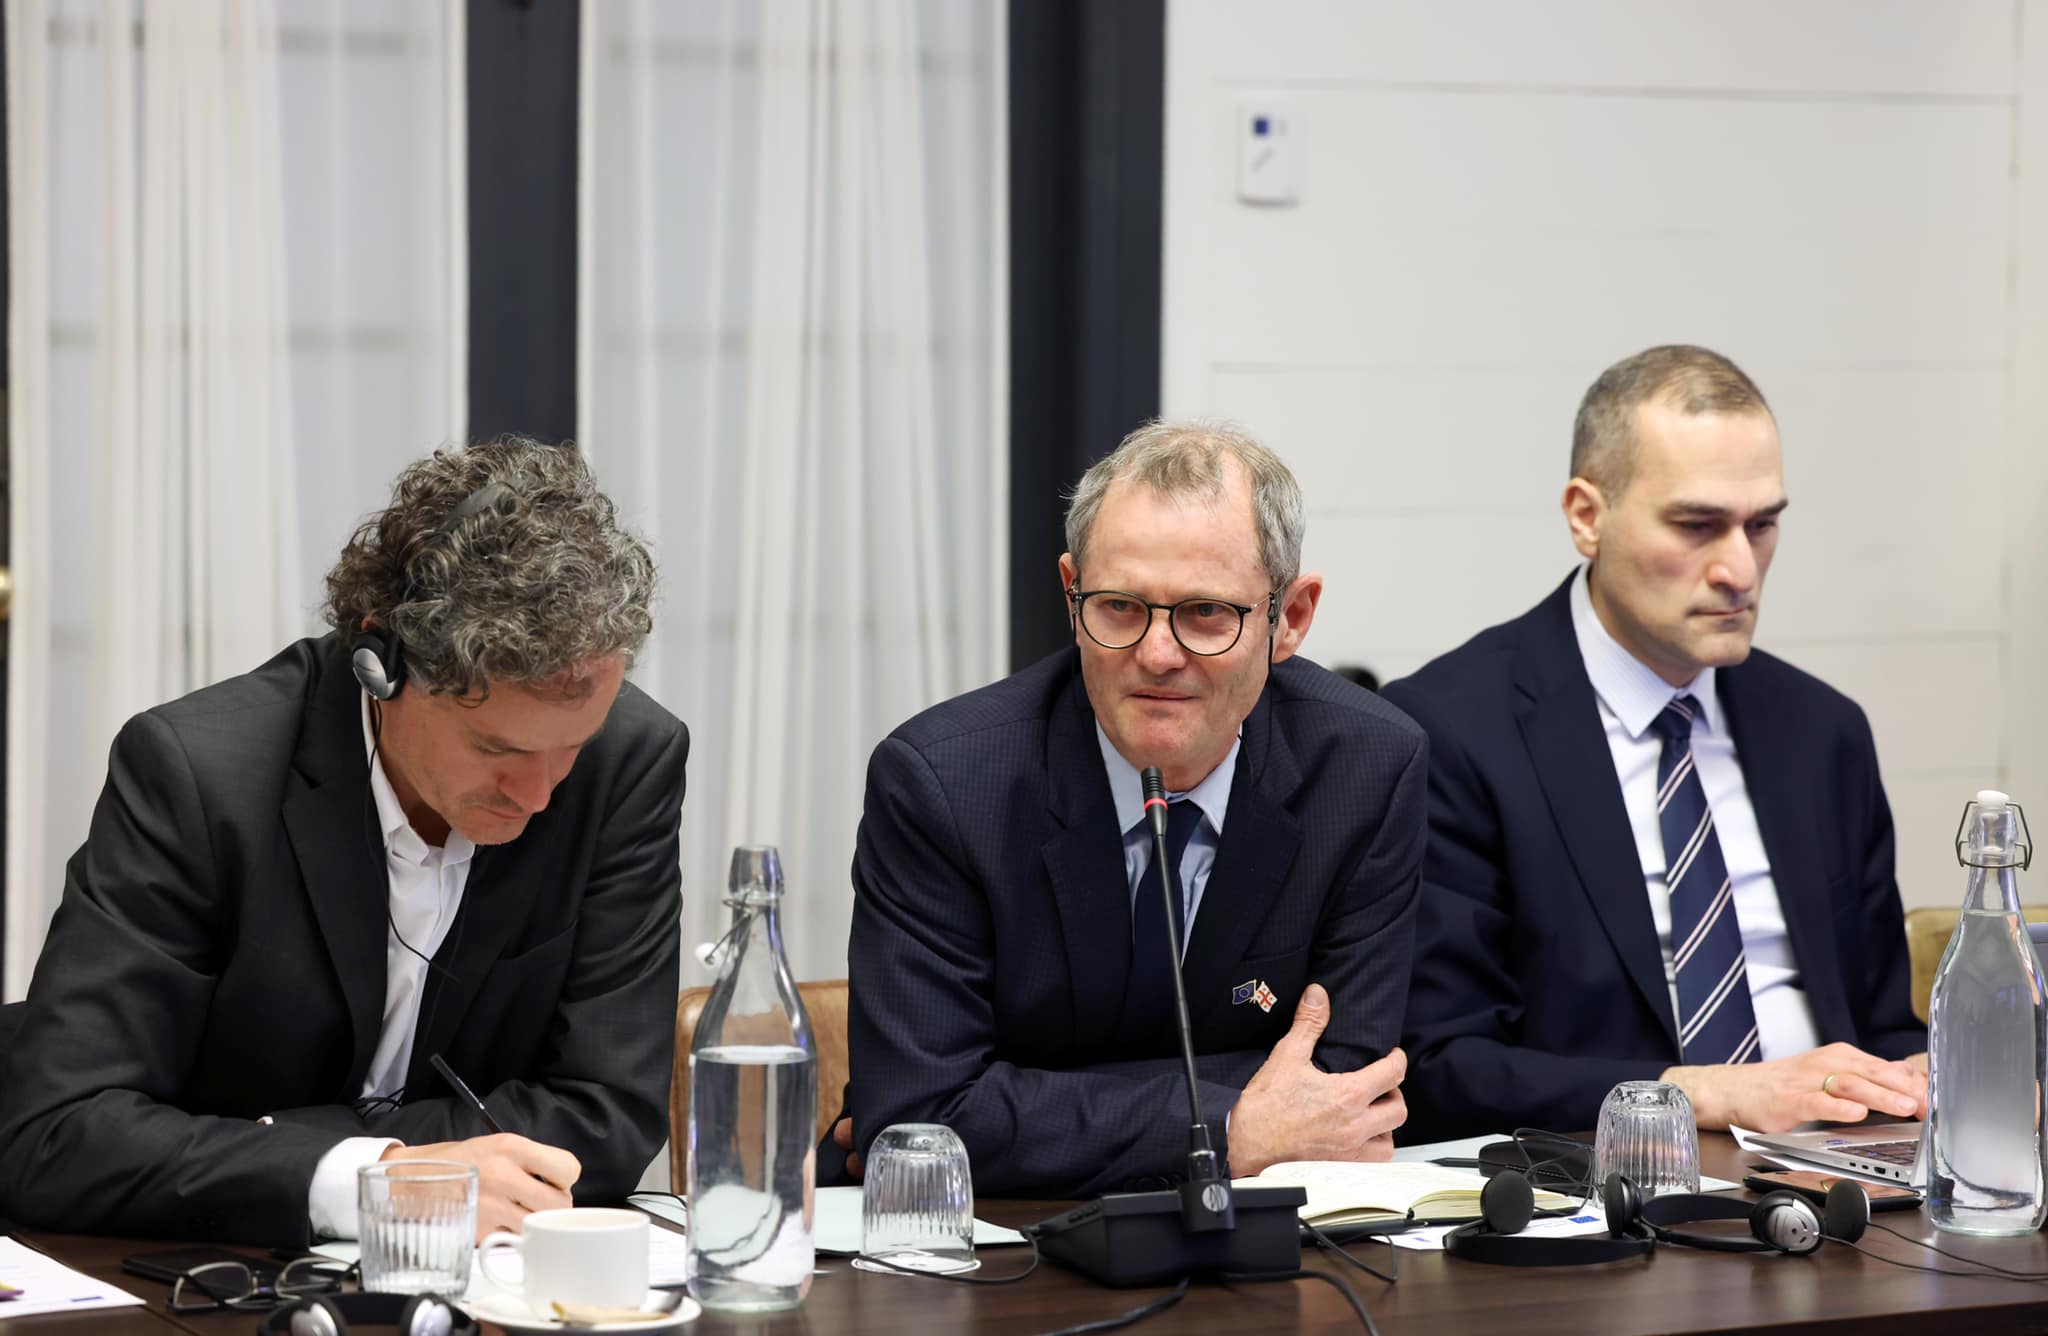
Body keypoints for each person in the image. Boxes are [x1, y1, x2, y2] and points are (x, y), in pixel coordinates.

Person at [0, 439, 688, 1247]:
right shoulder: (199, 776)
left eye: (570, 747)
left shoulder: (629, 762)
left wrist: (294, 1143)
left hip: (489, 1279)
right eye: (497, 749)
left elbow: (607, 1114)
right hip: (205, 1272)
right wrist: (367, 1178)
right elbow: (58, 1131)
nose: (537, 795)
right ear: (379, 666)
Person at [829, 420, 1425, 1196]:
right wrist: (1231, 1130)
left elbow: (1341, 1098)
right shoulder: (945, 783)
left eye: (1206, 612)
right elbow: (920, 1120)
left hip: (1259, 1237)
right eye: (1119, 607)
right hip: (982, 1239)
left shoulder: (1366, 769)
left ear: (1291, 618)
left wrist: (1022, 1101)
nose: (1157, 655)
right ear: (1071, 594)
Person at [1382, 346, 1926, 1142]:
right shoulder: (1451, 731)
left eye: (1762, 525)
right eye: (1697, 526)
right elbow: (1440, 1066)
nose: (1739, 570)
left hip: (1843, 1165)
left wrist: (1928, 1078)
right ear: (1586, 517)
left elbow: (1881, 1026)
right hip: (1601, 1184)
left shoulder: (1823, 732)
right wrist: (1709, 1096)